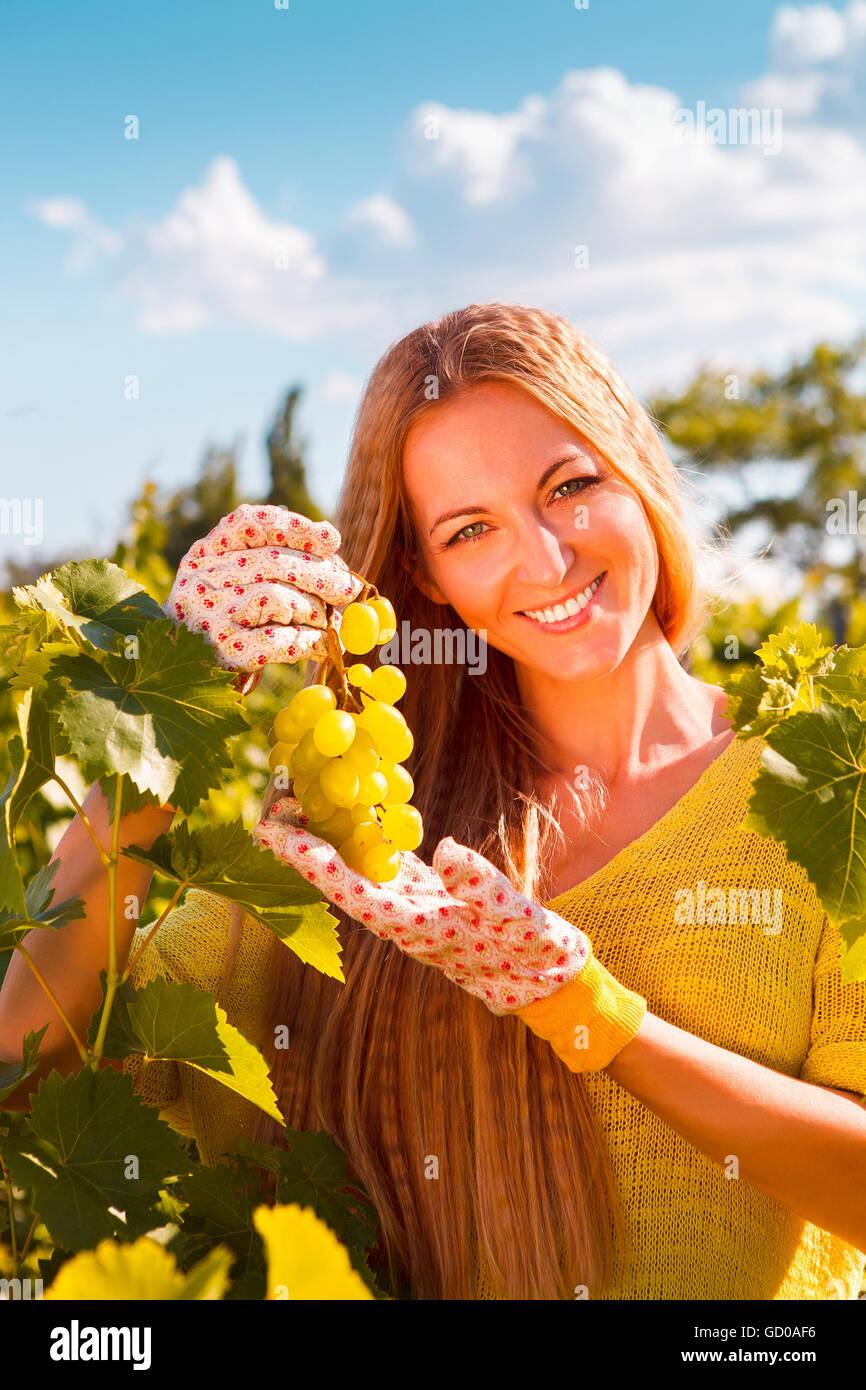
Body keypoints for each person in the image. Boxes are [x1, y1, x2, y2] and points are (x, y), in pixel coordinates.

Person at [2, 302, 865, 1302]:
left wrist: (582, 1010)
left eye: (569, 486)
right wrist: (159, 722)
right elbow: (23, 1066)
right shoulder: (362, 852)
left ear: (636, 466)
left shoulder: (824, 791)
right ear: (425, 574)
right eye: (469, 529)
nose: (543, 559)